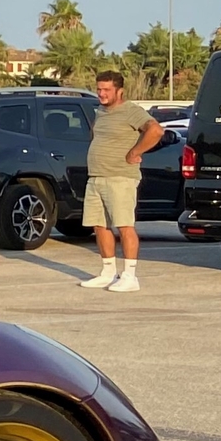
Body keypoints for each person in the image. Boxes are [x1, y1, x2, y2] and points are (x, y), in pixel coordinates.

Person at [80, 69, 161, 292]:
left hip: (120, 177)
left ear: (120, 91)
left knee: (124, 225)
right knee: (99, 225)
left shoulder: (131, 111)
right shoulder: (101, 112)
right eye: (99, 89)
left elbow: (155, 131)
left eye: (106, 90)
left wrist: (135, 152)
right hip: (96, 177)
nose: (101, 94)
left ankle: (130, 276)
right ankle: (108, 272)